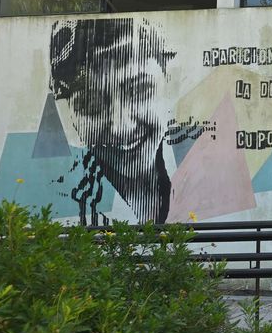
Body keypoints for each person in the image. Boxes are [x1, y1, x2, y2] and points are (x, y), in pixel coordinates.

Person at [50, 17, 177, 225]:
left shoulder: (205, 181)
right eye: (91, 104)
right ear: (67, 110)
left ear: (168, 79)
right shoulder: (65, 205)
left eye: (138, 91)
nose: (121, 127)